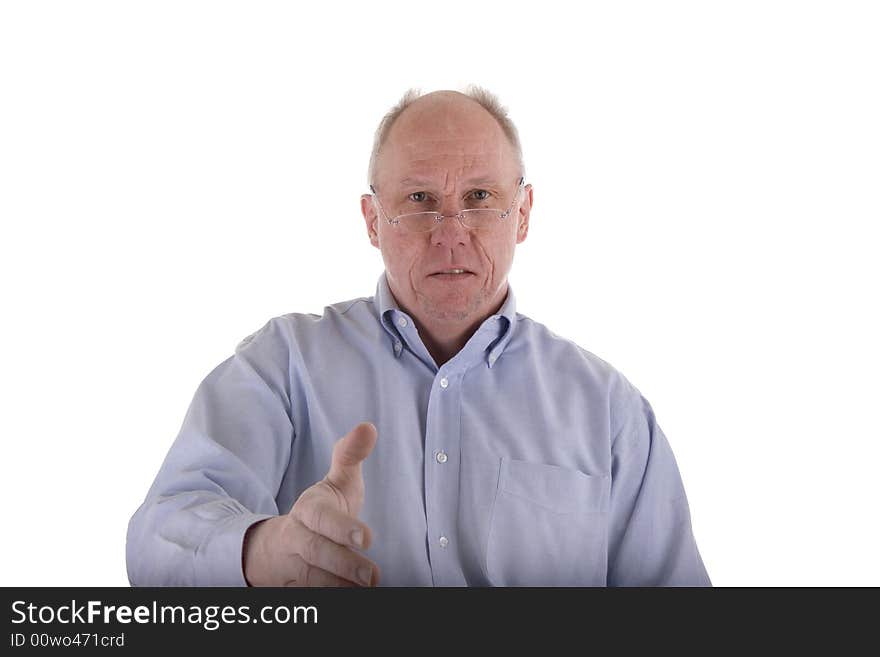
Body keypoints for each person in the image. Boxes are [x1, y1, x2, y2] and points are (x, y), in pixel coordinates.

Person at [126, 86, 711, 587]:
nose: (450, 233)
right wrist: (264, 551)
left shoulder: (608, 409)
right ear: (373, 220)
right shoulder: (282, 366)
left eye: (480, 198)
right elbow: (158, 537)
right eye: (419, 201)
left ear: (524, 212)